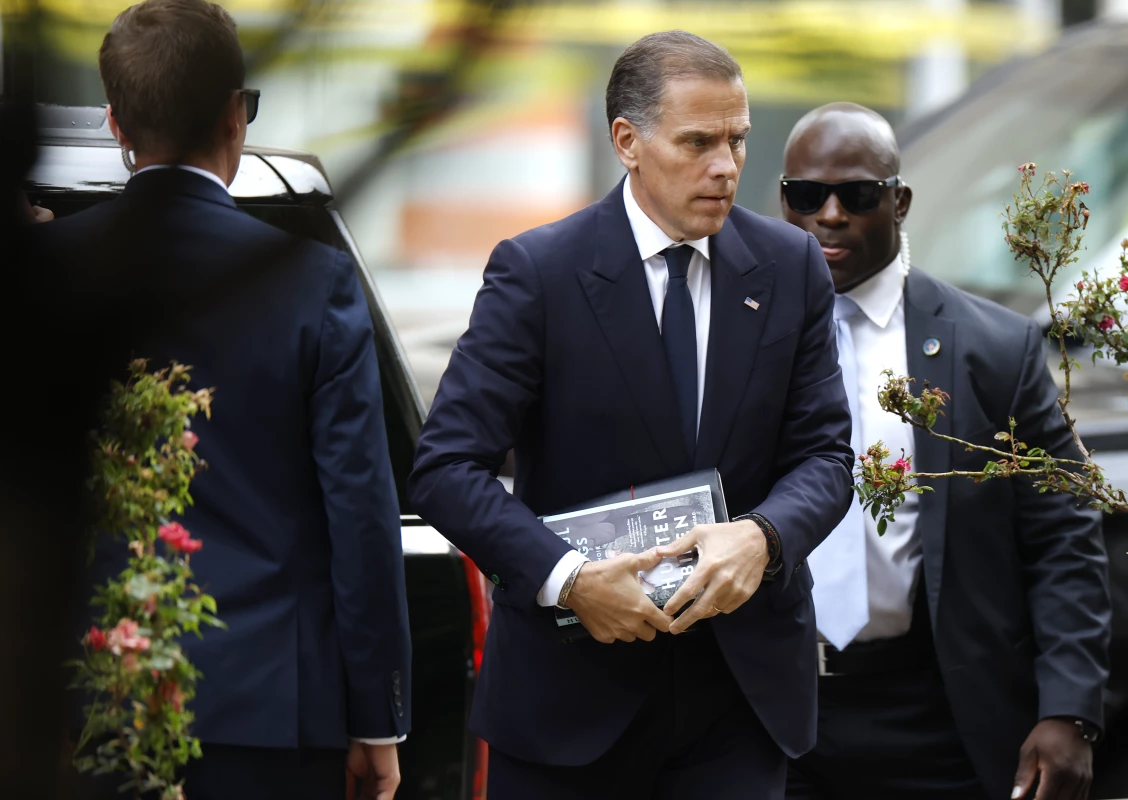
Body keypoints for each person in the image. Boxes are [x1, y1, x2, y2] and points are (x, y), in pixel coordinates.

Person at [408, 30, 854, 800]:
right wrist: (569, 579)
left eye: (738, 140)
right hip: (569, 700)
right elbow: (446, 469)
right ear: (627, 142)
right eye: (698, 142)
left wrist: (763, 537)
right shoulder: (539, 273)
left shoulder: (791, 266)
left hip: (739, 698)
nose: (726, 166)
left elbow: (826, 456)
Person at [42, 1, 410, 798]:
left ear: (116, 124)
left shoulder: (42, 275)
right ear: (234, 116)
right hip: (273, 713)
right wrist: (376, 720)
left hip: (84, 706)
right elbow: (360, 513)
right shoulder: (314, 282)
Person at [779, 103, 1111, 800]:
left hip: (938, 719)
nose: (829, 215)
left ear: (898, 202)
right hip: (776, 719)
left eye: (857, 195)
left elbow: (1063, 536)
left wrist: (1069, 709)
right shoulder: (741, 336)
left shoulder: (993, 348)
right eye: (806, 195)